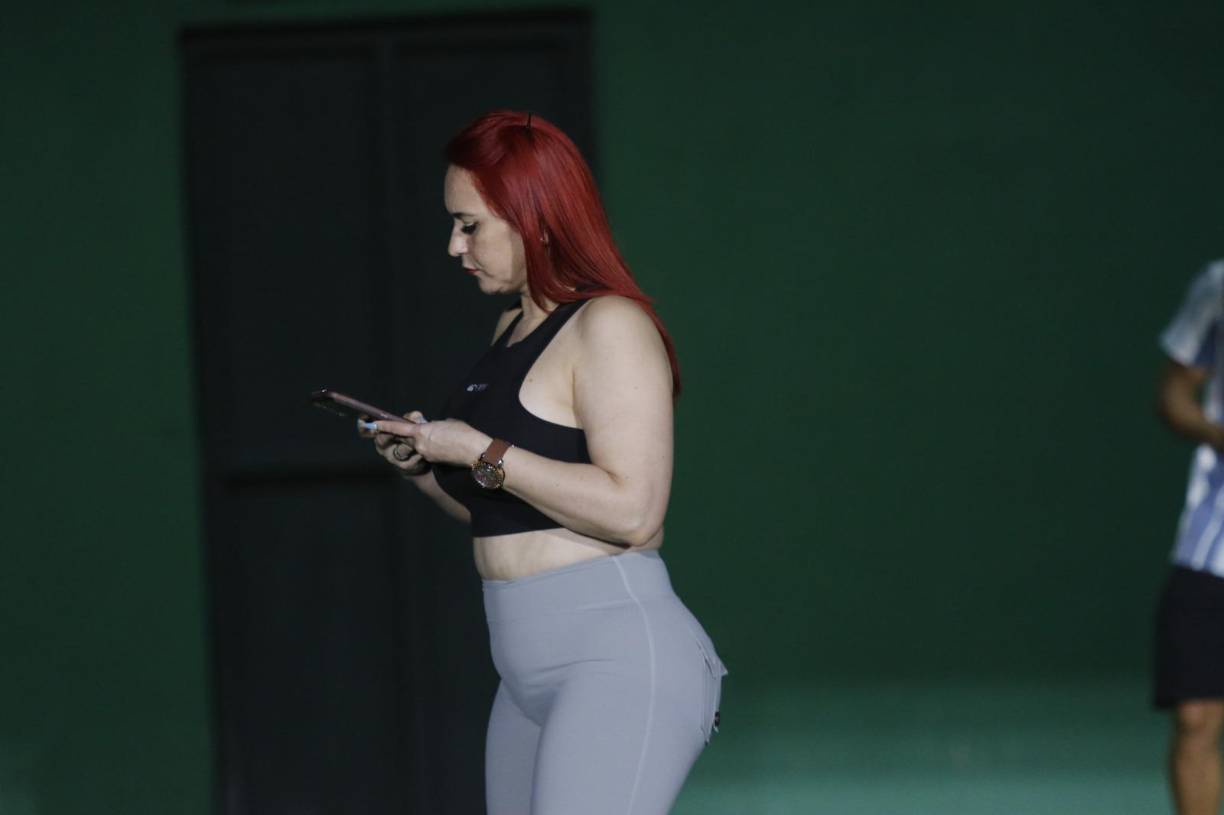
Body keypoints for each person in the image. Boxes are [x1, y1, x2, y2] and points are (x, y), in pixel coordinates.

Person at [358, 110, 727, 815]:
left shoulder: (611, 324)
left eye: (470, 225)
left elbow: (635, 513)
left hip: (616, 653)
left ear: (536, 219)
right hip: (522, 668)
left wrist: (480, 448)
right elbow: (510, 511)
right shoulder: (509, 329)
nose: (453, 245)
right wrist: (430, 468)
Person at [1156, 258, 1224, 815]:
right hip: (1212, 538)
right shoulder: (1218, 284)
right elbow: (1175, 394)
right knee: (1195, 715)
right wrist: (1211, 430)